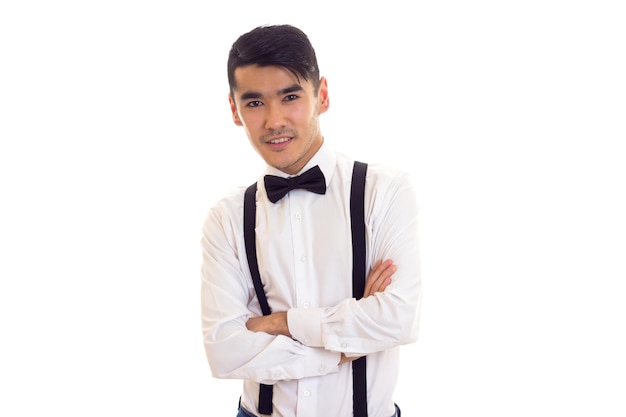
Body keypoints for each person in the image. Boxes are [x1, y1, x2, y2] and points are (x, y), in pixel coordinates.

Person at [201, 24, 421, 417]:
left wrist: (279, 323)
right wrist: (342, 348)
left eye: (290, 96)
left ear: (321, 94)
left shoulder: (384, 191)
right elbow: (223, 350)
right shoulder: (227, 219)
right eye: (254, 103)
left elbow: (399, 319)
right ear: (234, 110)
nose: (274, 120)